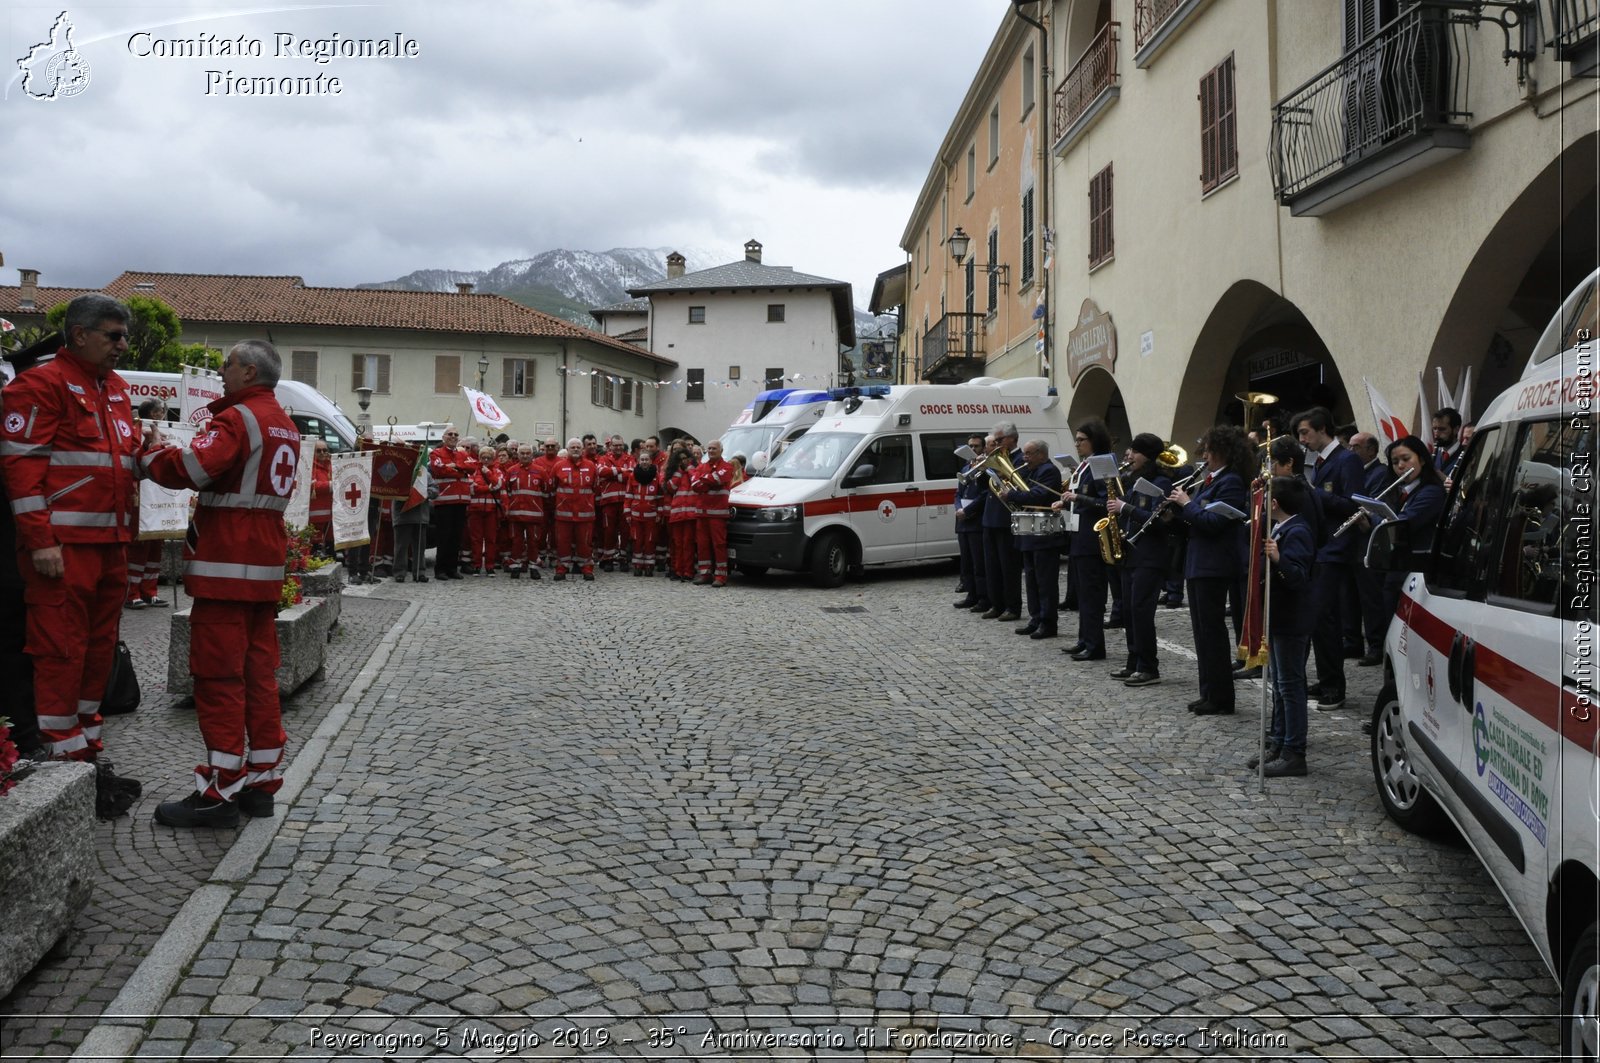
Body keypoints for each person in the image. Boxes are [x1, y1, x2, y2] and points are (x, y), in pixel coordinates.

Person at [142, 340, 299, 828]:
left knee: (217, 677)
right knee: (258, 675)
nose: (221, 371)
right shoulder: (284, 423)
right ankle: (260, 784)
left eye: (227, 364)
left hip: (226, 562)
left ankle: (218, 792)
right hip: (264, 563)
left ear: (250, 371)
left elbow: (193, 468)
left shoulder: (238, 419)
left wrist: (150, 457)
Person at [0, 295, 144, 815]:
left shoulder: (117, 390)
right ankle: (63, 764)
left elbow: (128, 460)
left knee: (97, 651)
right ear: (79, 335)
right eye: (113, 335)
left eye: (123, 335)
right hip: (63, 550)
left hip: (111, 548)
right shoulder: (37, 386)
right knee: (60, 651)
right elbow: (21, 469)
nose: (122, 345)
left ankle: (87, 752)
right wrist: (40, 541)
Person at [1169, 425, 1250, 716]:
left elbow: (1214, 522)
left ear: (1221, 451)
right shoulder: (1209, 480)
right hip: (1199, 562)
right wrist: (1176, 510)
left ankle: (1221, 697)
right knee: (1202, 633)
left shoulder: (1231, 482)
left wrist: (1187, 504)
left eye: (1208, 450)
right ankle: (1208, 692)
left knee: (1213, 633)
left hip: (1215, 564)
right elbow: (1195, 518)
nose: (1204, 455)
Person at [1294, 406, 1362, 712]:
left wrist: (1314, 493)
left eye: (1305, 432)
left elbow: (1354, 504)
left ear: (1322, 429)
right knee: (1319, 619)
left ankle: (1335, 685)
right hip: (1320, 548)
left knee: (1326, 618)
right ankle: (1325, 677)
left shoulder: (1346, 460)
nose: (1303, 440)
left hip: (1336, 548)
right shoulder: (1320, 462)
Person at [1255, 475, 1316, 777]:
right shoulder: (1281, 527)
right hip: (1278, 617)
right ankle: (1278, 743)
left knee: (1291, 687)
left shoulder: (1299, 530)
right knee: (1279, 684)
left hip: (1292, 618)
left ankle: (1294, 750)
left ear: (1275, 503)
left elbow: (1298, 576)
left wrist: (1278, 559)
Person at [1108, 433, 1172, 686]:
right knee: (1129, 610)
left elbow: (1156, 520)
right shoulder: (1133, 480)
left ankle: (1149, 666)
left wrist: (1124, 508)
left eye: (1134, 452)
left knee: (1141, 611)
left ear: (1147, 456)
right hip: (1132, 554)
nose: (1129, 456)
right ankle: (1134, 660)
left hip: (1150, 555)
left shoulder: (1161, 483)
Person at [1057, 420, 1112, 660]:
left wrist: (1077, 498)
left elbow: (1106, 502)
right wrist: (1067, 500)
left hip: (1093, 539)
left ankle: (1094, 644)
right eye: (1076, 439)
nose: (1077, 444)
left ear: (1094, 440)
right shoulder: (1084, 466)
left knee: (1092, 595)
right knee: (1082, 594)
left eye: (1081, 440)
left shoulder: (1101, 464)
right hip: (1079, 537)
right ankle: (1084, 639)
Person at [1376, 435, 1446, 621]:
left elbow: (1404, 524)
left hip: (1415, 571)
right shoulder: (1401, 492)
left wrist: (1377, 521)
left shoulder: (1431, 492)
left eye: (1406, 459)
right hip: (1400, 569)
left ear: (1422, 459)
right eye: (1395, 462)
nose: (1400, 466)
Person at [1005, 439, 1065, 639]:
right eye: (1024, 453)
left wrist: (1012, 495)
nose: (1025, 458)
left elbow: (1038, 496)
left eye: (1029, 454)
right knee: (1031, 579)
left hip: (1044, 534)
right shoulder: (1030, 470)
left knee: (1045, 581)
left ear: (1041, 454)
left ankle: (1048, 623)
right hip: (1030, 532)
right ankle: (1035, 618)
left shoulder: (1049, 471)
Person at [1350, 431, 1393, 666]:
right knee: (1357, 598)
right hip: (1357, 541)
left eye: (1356, 447)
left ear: (1371, 451)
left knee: (1372, 598)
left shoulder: (1380, 474)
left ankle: (1377, 645)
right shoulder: (1357, 471)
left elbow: (1377, 505)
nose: (1352, 451)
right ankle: (1356, 640)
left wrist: (1367, 518)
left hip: (1372, 541)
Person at [125, 398, 173, 610]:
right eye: (155, 412)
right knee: (139, 546)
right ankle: (131, 591)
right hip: (142, 496)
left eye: (161, 412)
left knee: (156, 545)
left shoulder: (169, 429)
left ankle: (149, 590)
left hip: (160, 498)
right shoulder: (136, 429)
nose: (159, 415)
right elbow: (134, 459)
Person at [980, 423, 1024, 623]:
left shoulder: (1020, 459)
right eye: (995, 441)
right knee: (992, 567)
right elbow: (985, 487)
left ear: (1012, 439)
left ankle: (1012, 607)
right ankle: (996, 604)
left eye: (999, 441)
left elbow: (1021, 488)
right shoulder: (996, 458)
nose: (995, 445)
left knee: (1009, 567)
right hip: (991, 518)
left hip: (1007, 520)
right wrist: (981, 469)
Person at [551, 436, 598, 580]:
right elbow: (552, 488)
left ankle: (586, 568)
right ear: (567, 449)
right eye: (573, 447)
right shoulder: (558, 466)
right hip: (564, 514)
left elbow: (596, 488)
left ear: (582, 449)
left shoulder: (591, 466)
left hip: (585, 514)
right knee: (563, 542)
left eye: (578, 447)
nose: (576, 449)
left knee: (585, 542)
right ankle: (562, 568)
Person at [691, 439, 735, 586]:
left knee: (719, 544)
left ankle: (720, 576)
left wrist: (704, 480)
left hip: (718, 514)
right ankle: (705, 574)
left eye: (714, 449)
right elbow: (695, 485)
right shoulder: (701, 466)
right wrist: (710, 481)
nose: (710, 451)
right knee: (702, 545)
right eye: (709, 448)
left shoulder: (727, 467)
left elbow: (719, 478)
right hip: (702, 513)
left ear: (721, 450)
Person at [953, 435, 989, 611]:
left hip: (975, 520)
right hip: (963, 522)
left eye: (976, 446)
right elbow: (958, 493)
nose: (973, 449)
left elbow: (984, 495)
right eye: (970, 446)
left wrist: (967, 511)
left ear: (983, 448)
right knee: (966, 561)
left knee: (978, 562)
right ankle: (971, 594)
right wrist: (959, 508)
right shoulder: (966, 467)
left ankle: (983, 597)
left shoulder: (984, 469)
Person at [428, 427, 470, 579]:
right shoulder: (436, 453)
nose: (453, 436)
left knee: (456, 537)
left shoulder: (463, 453)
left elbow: (473, 466)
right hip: (444, 501)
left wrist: (456, 466)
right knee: (444, 537)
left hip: (461, 500)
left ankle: (452, 569)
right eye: (450, 434)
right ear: (443, 437)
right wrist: (461, 470)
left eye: (456, 434)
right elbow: (439, 470)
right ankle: (440, 570)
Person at [626, 441, 664, 576]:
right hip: (636, 515)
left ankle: (649, 566)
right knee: (637, 540)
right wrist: (627, 513)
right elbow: (628, 496)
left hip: (651, 516)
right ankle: (637, 565)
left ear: (651, 461)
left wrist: (659, 513)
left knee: (650, 540)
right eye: (642, 459)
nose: (644, 462)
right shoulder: (632, 476)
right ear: (638, 461)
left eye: (646, 459)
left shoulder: (656, 477)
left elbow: (660, 497)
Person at [665, 449, 700, 581]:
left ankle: (688, 571)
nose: (683, 461)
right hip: (677, 514)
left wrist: (689, 469)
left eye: (685, 458)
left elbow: (696, 482)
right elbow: (671, 488)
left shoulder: (694, 471)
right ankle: (678, 570)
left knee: (688, 544)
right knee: (678, 544)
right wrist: (679, 472)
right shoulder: (674, 473)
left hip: (690, 514)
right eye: (680, 459)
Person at [1431, 407, 1463, 474]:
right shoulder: (1434, 454)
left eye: (1442, 429)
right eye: (1434, 428)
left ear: (1456, 429)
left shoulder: (1465, 454)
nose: (1436, 433)